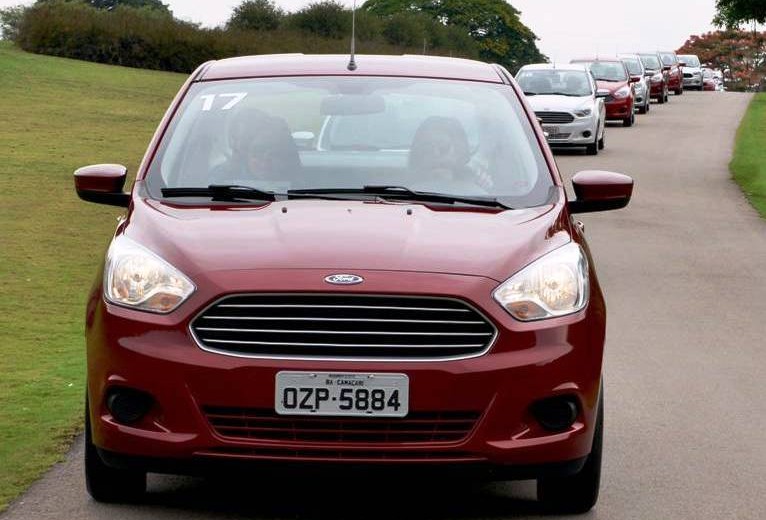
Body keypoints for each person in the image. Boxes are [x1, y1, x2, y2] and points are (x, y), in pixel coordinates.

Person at [211, 108, 300, 183]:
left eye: (275, 153)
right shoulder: (219, 178)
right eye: (235, 138)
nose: (238, 145)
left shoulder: (300, 184)